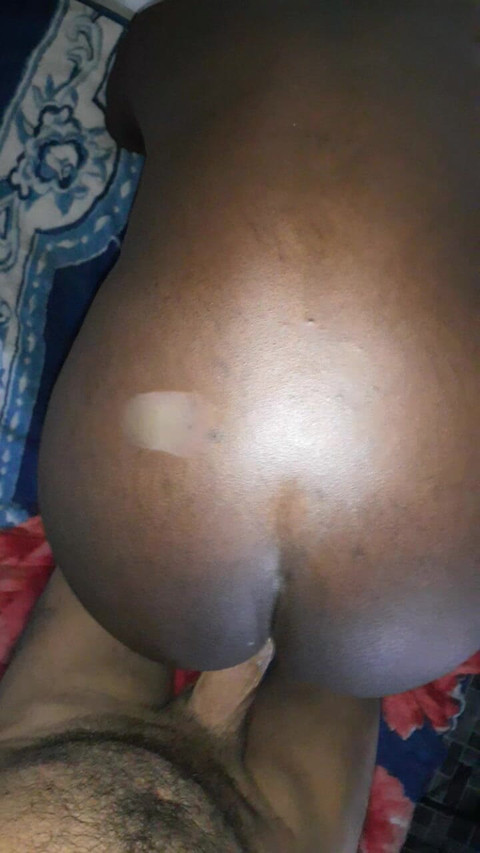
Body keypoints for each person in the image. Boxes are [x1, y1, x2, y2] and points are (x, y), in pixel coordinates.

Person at [0, 0, 478, 849]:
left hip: (397, 616)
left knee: (340, 620)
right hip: (112, 761)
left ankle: (255, 609)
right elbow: (134, 94)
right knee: (212, 566)